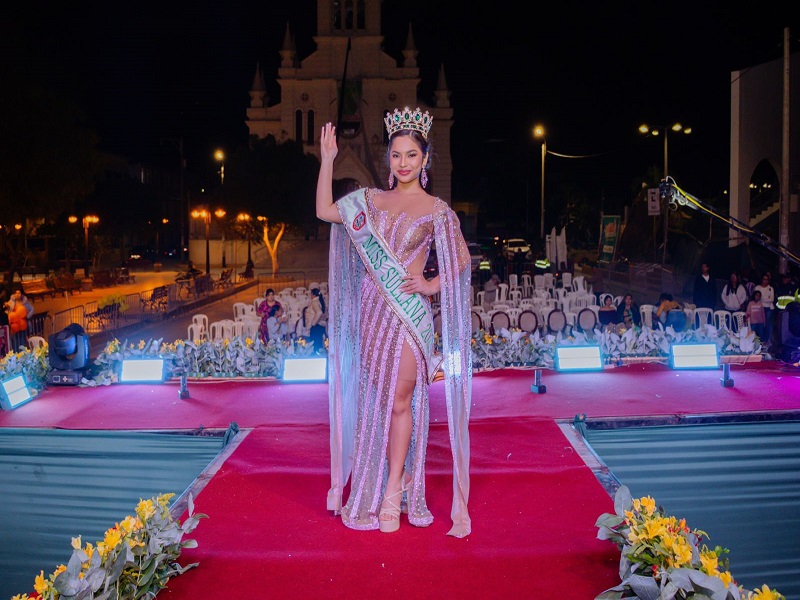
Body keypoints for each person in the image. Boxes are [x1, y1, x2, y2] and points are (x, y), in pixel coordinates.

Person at [316, 108, 472, 538]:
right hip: (371, 310)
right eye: (397, 155)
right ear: (389, 158)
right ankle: (392, 477)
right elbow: (325, 210)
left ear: (425, 160)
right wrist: (327, 159)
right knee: (378, 398)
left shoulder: (436, 210)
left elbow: (460, 258)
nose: (403, 163)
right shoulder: (370, 201)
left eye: (412, 155)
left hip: (407, 315)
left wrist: (429, 284)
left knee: (400, 400)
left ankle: (390, 490)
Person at [754, 273, 774, 344]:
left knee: (767, 324)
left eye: (766, 279)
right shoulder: (757, 287)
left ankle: (766, 340)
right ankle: (760, 340)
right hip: (759, 308)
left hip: (768, 308)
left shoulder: (770, 288)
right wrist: (764, 299)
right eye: (764, 279)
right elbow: (755, 298)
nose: (765, 281)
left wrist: (762, 299)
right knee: (760, 324)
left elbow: (771, 299)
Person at [304, 287, 326, 352]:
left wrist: (313, 323)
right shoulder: (320, 301)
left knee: (315, 346)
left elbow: (319, 312)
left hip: (316, 327)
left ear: (313, 295)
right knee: (318, 345)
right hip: (319, 326)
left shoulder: (315, 302)